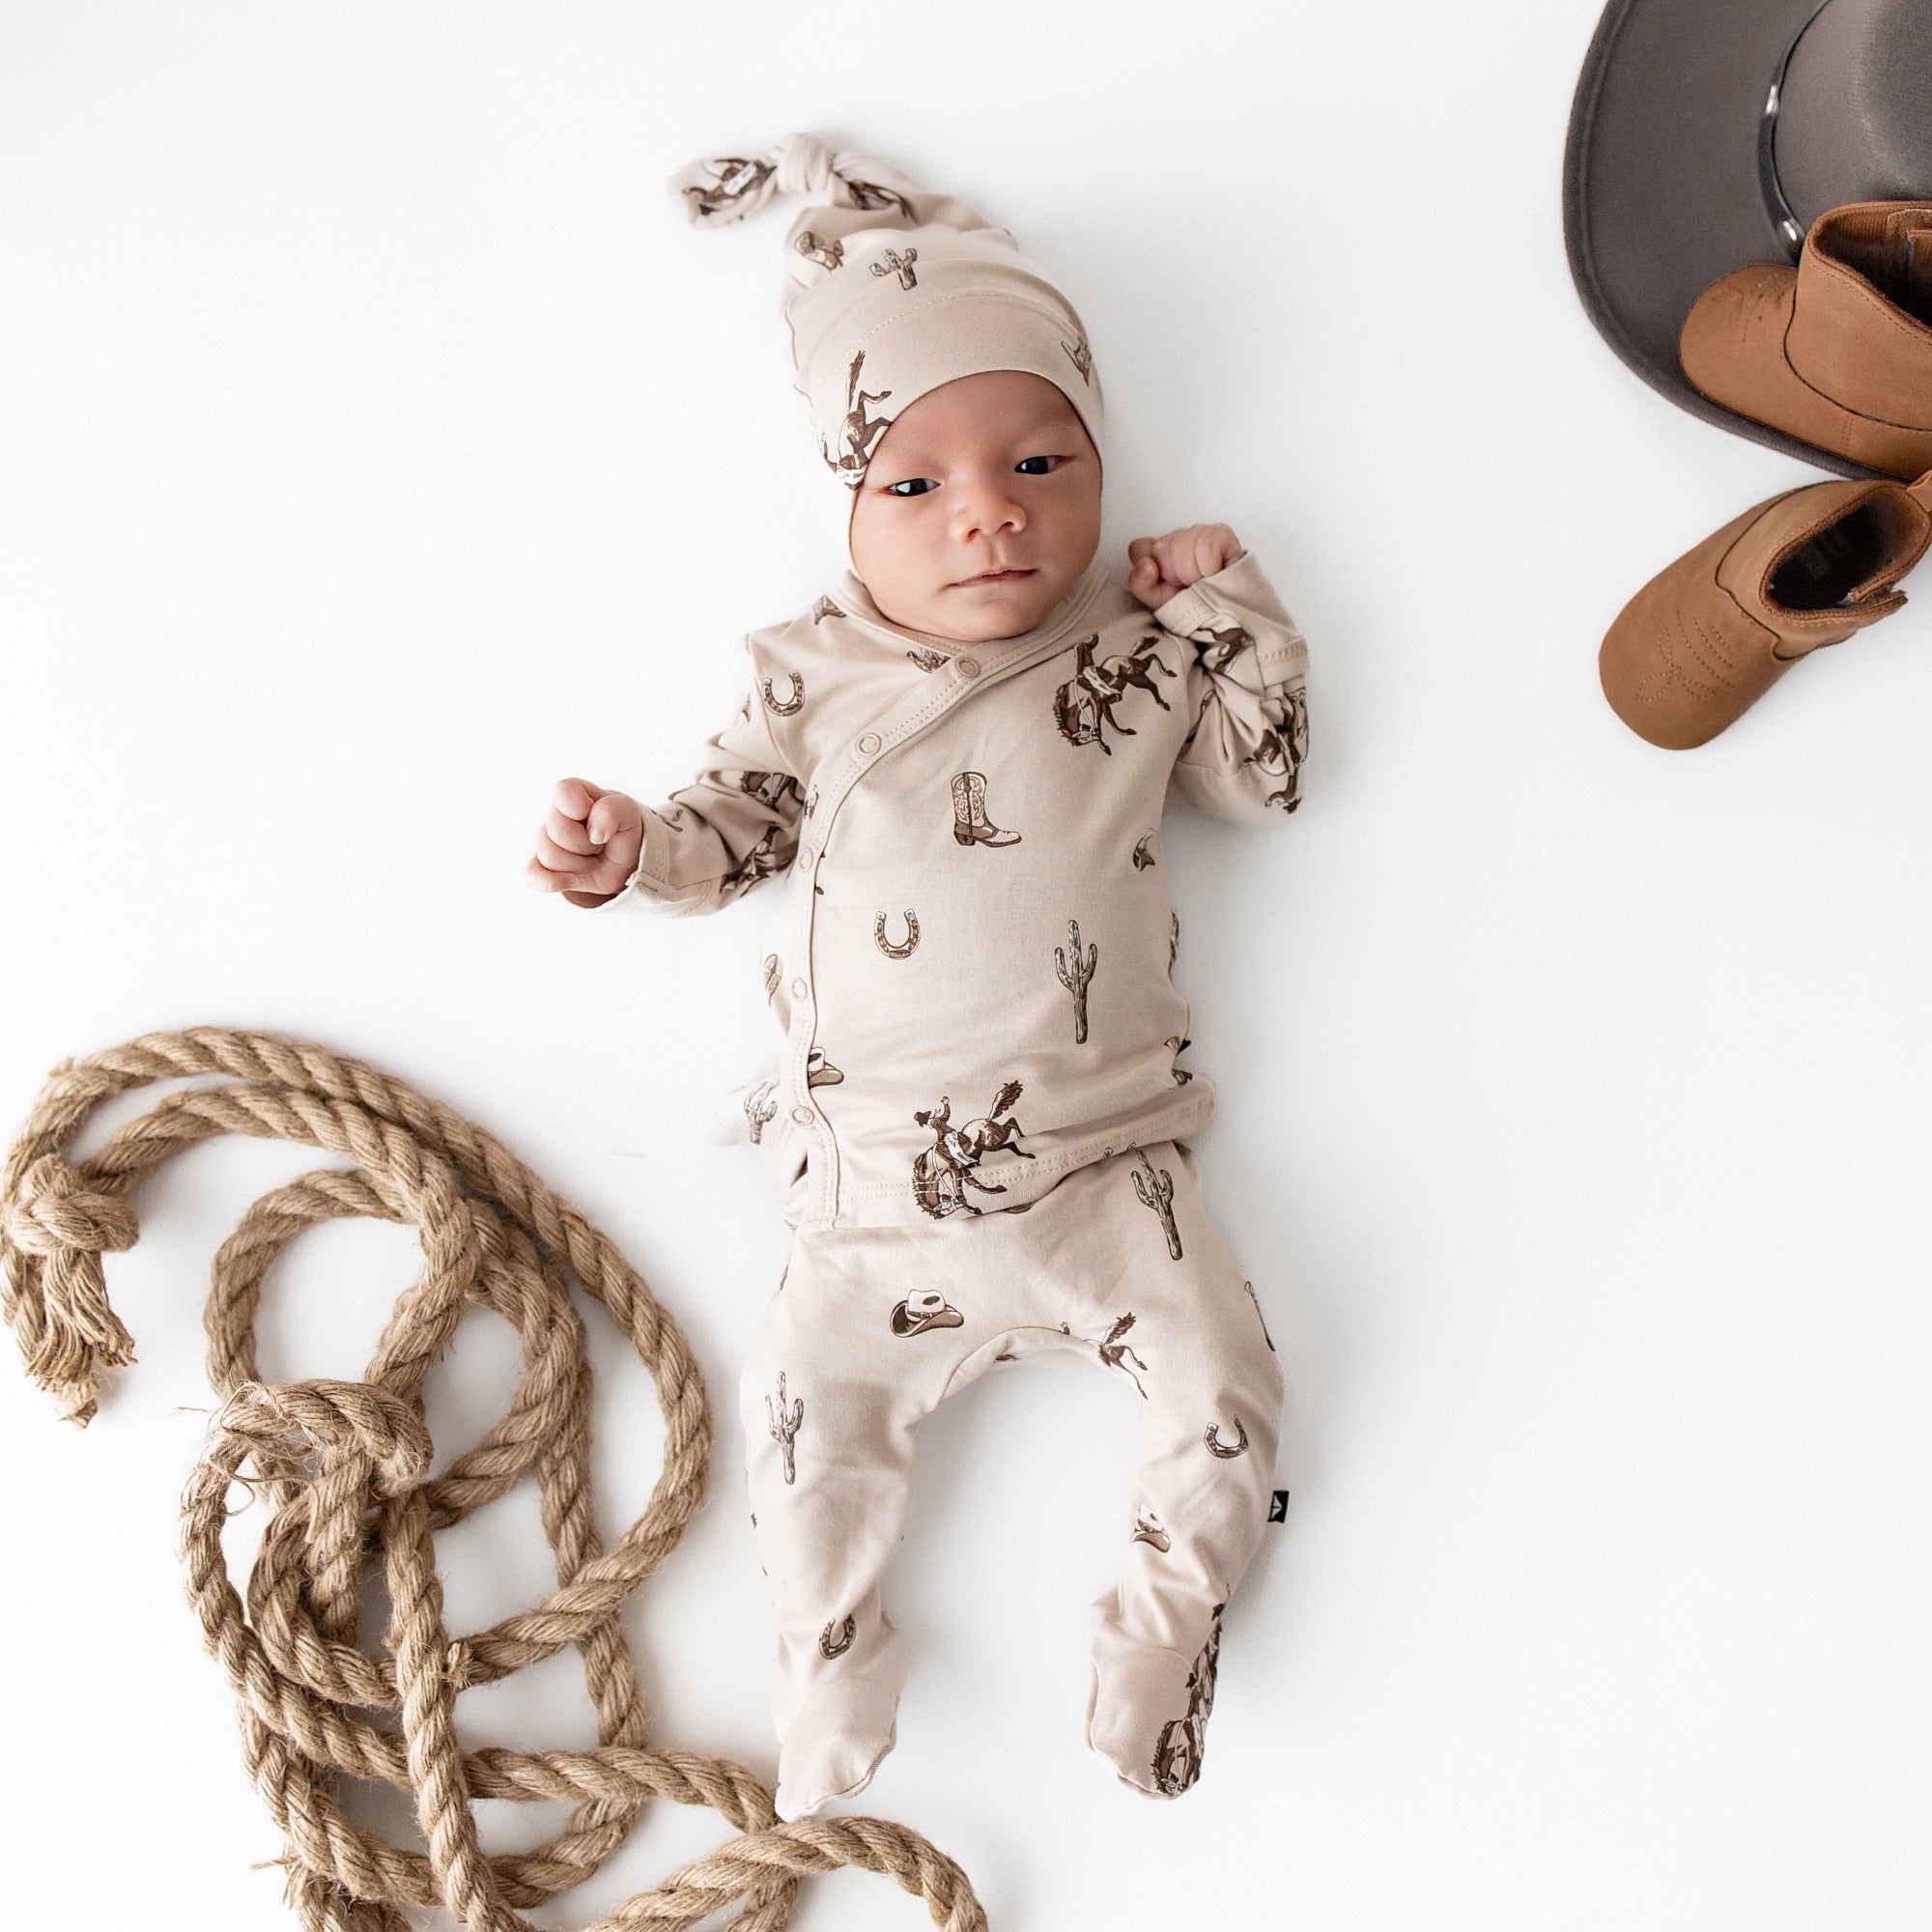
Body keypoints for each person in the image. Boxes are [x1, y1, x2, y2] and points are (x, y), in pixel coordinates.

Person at [526, 133, 1308, 1821]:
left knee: (1232, 1392)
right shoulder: (811, 674)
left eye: (1041, 461)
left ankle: (1163, 1635)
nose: (991, 515)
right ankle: (829, 1668)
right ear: (848, 502)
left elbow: (1265, 779)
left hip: (1114, 1172)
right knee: (802, 1447)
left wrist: (1235, 611)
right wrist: (630, 852)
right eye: (918, 485)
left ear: (1101, 466)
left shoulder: (1133, 657)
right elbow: (730, 833)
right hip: (873, 1194)